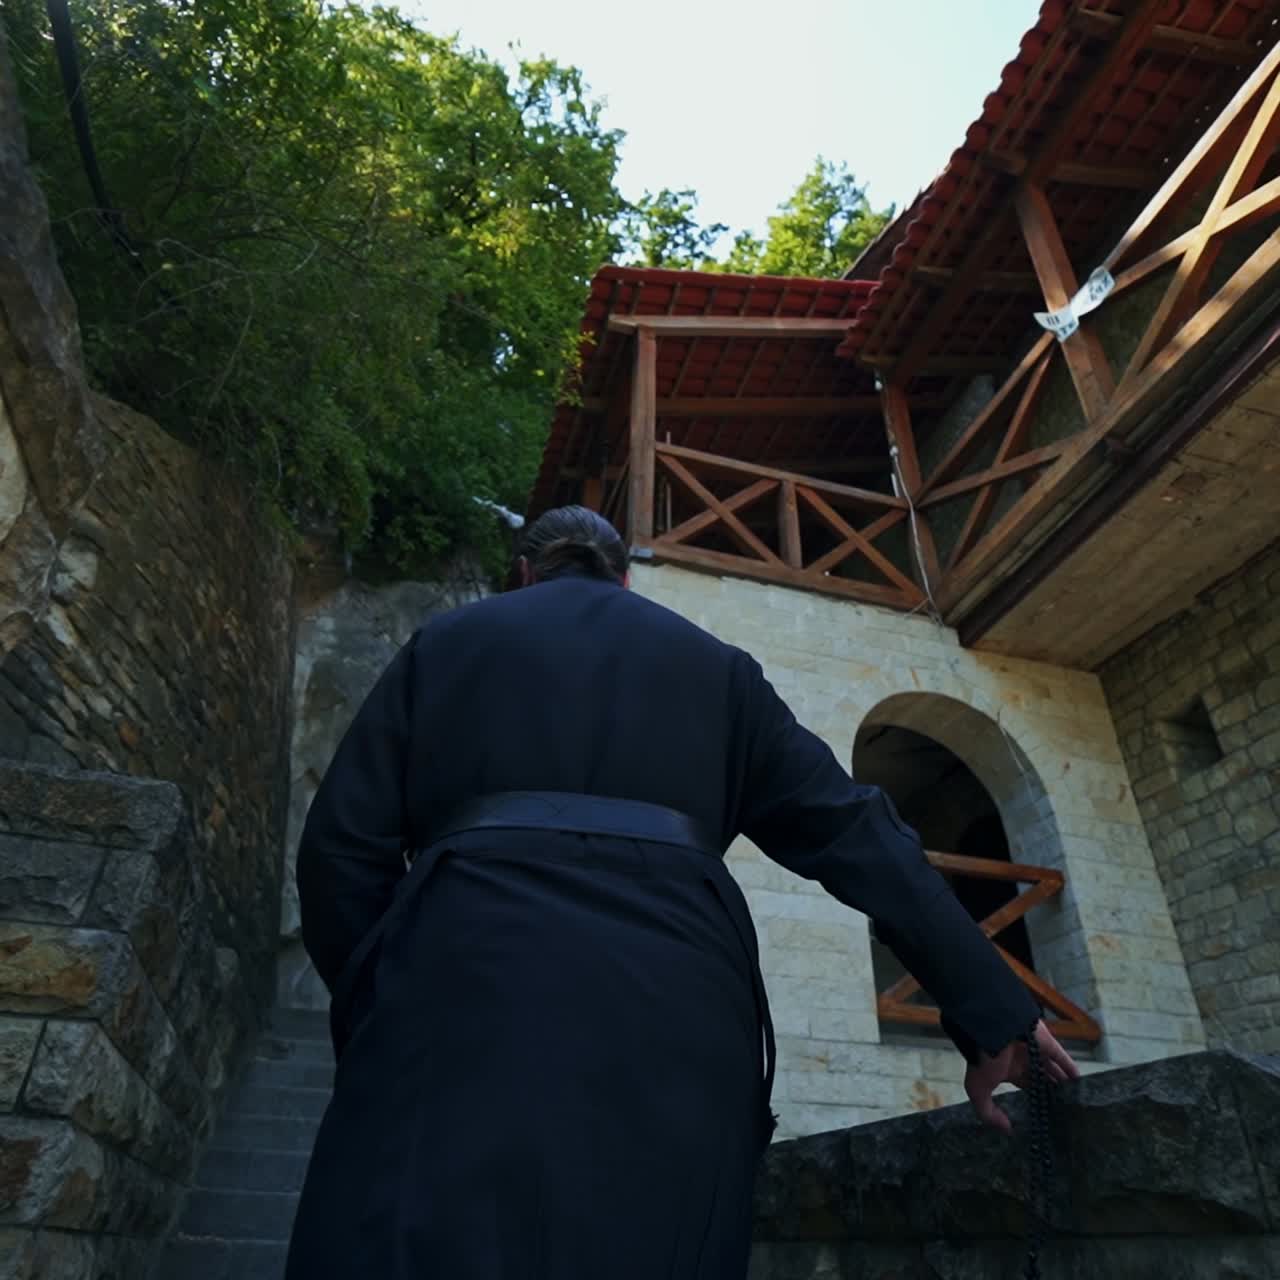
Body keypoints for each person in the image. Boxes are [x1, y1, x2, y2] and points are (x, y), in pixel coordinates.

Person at [286, 504, 1079, 1280]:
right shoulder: (721, 669)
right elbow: (861, 837)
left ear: (523, 575)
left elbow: (338, 853)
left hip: (453, 1001)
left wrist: (384, 996)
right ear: (626, 582)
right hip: (683, 1029)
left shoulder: (445, 644)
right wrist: (995, 1012)